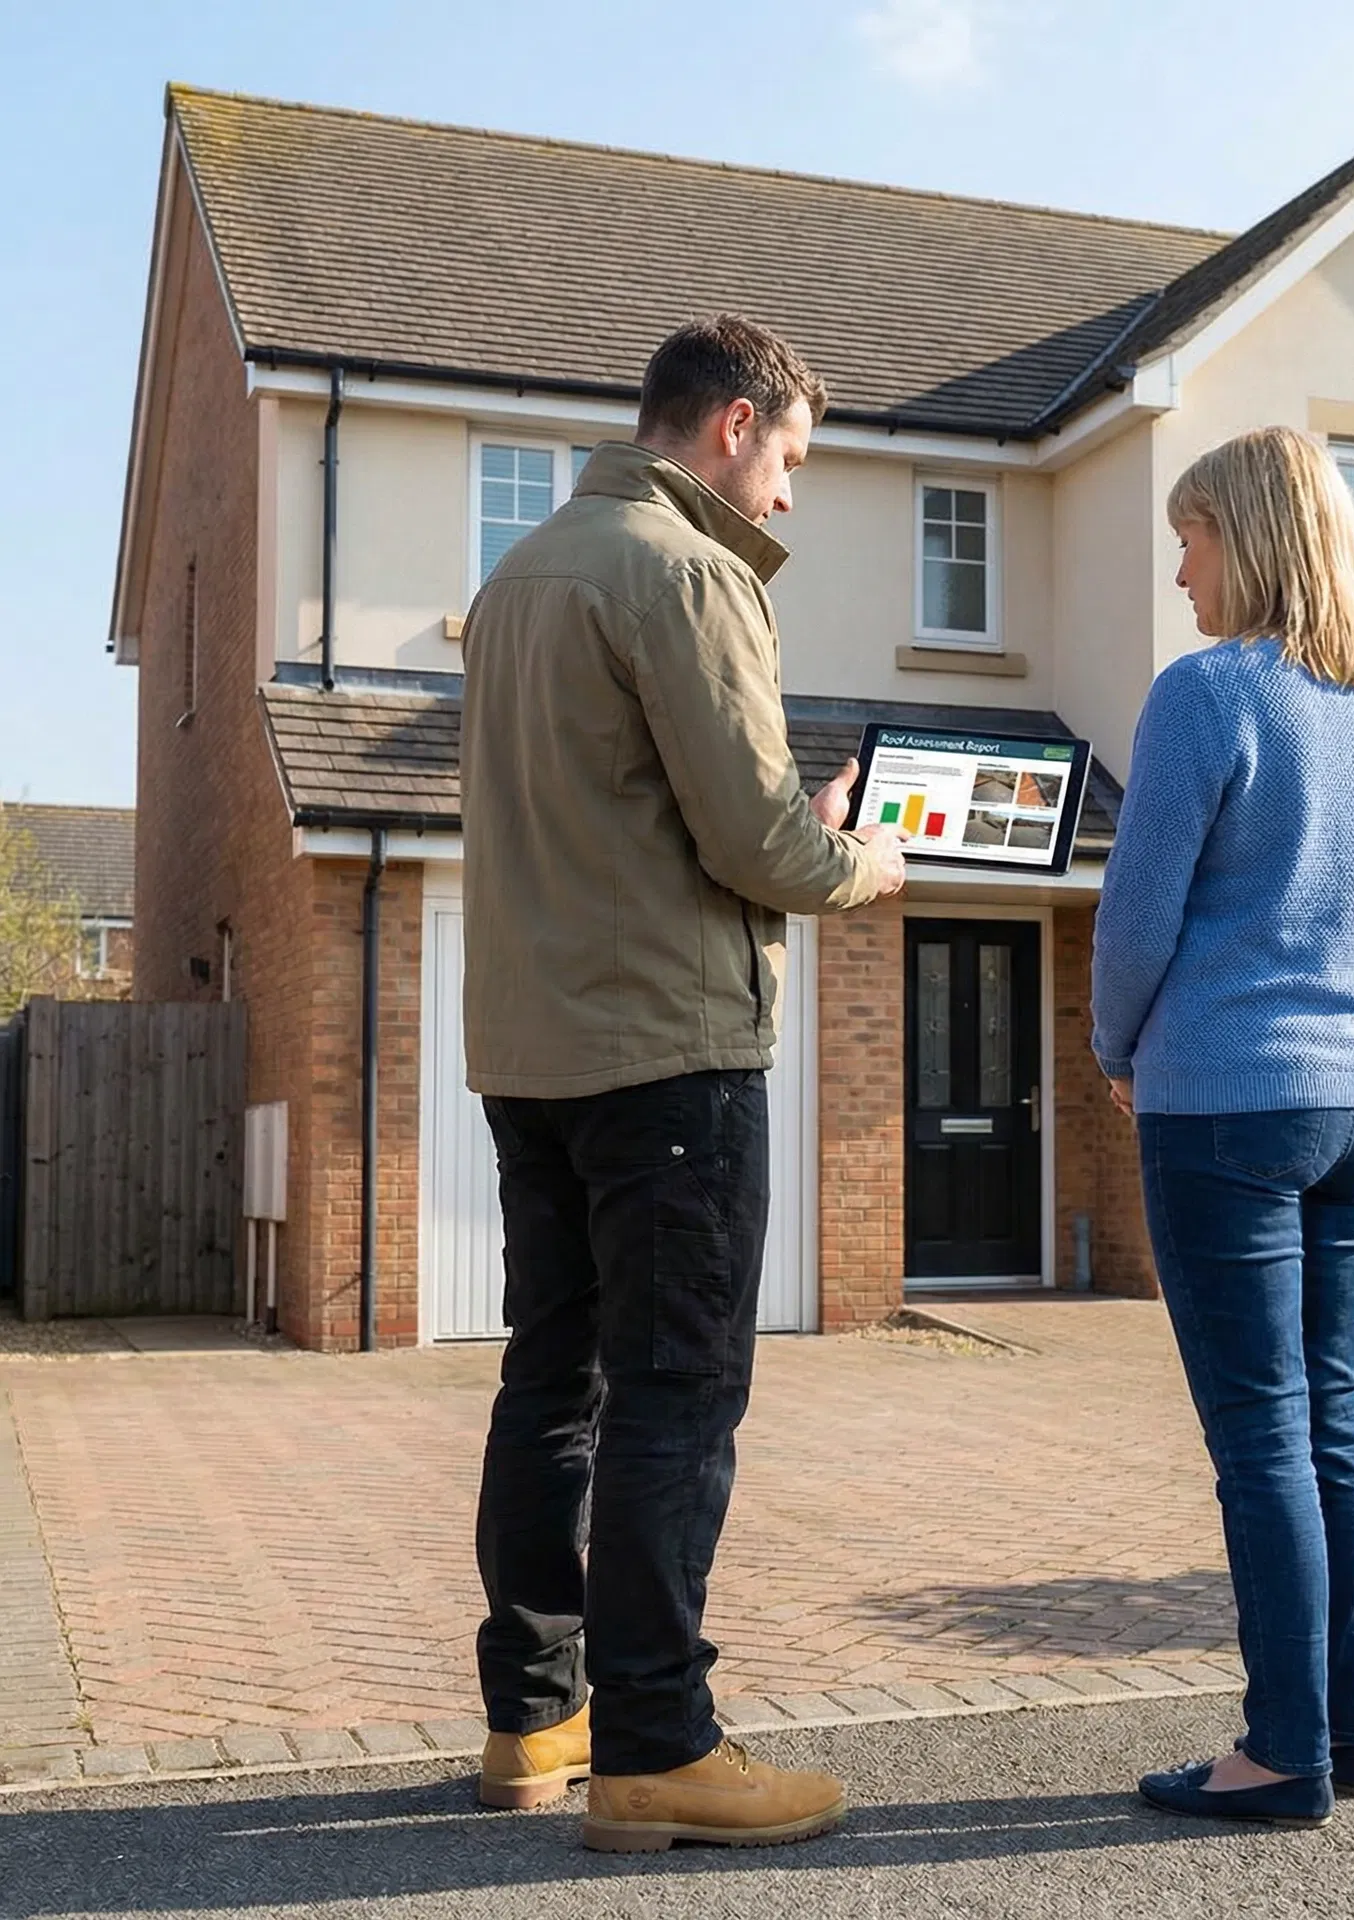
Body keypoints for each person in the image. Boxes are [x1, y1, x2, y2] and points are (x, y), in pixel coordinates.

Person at [458, 315, 907, 1853]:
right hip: (668, 1060)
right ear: (730, 426)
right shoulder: (689, 571)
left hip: (532, 1056)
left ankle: (538, 1722)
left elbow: (621, 808)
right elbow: (757, 849)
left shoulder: (516, 579)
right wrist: (868, 855)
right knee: (676, 1399)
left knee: (552, 1385)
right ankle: (658, 1747)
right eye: (788, 460)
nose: (785, 498)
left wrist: (795, 813)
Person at [1091, 425, 1354, 1830]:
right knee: (1333, 1422)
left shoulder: (1208, 695)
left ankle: (1279, 1752)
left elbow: (1137, 915)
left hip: (1229, 1101)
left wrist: (1115, 1050)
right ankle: (1344, 1735)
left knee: (1264, 1439)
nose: (1178, 571)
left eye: (1194, 538)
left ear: (1255, 539)